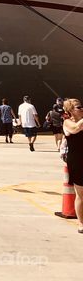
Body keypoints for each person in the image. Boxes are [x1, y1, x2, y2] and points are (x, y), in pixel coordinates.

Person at [61, 98, 83, 233]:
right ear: (70, 110)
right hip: (78, 161)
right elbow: (76, 129)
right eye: (79, 107)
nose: (82, 109)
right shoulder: (67, 123)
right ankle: (81, 223)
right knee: (81, 194)